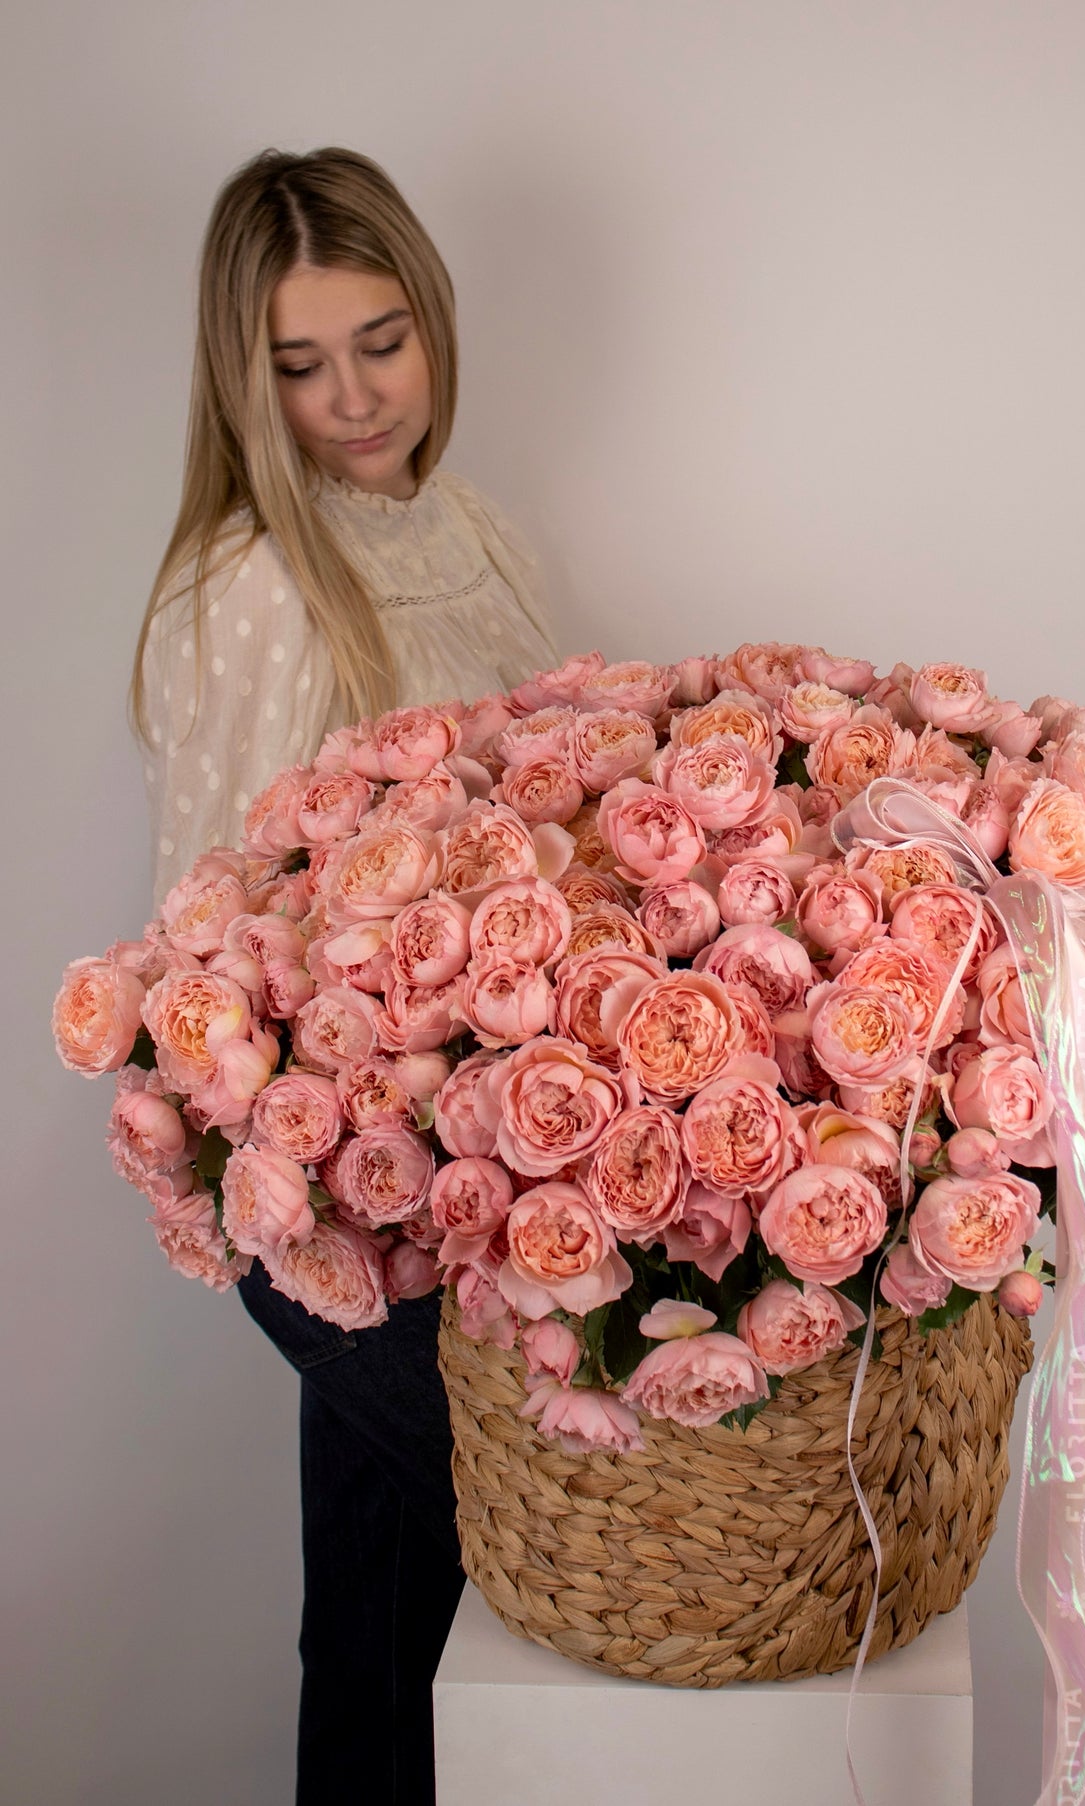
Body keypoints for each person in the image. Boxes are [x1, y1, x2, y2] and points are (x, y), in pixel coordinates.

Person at [129, 145, 560, 1806]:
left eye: (380, 339)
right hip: (341, 1202)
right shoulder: (251, 585)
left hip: (487, 1191)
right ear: (245, 386)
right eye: (298, 368)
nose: (353, 397)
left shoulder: (478, 536)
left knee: (388, 1619)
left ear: (431, 317)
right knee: (470, 1599)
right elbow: (203, 947)